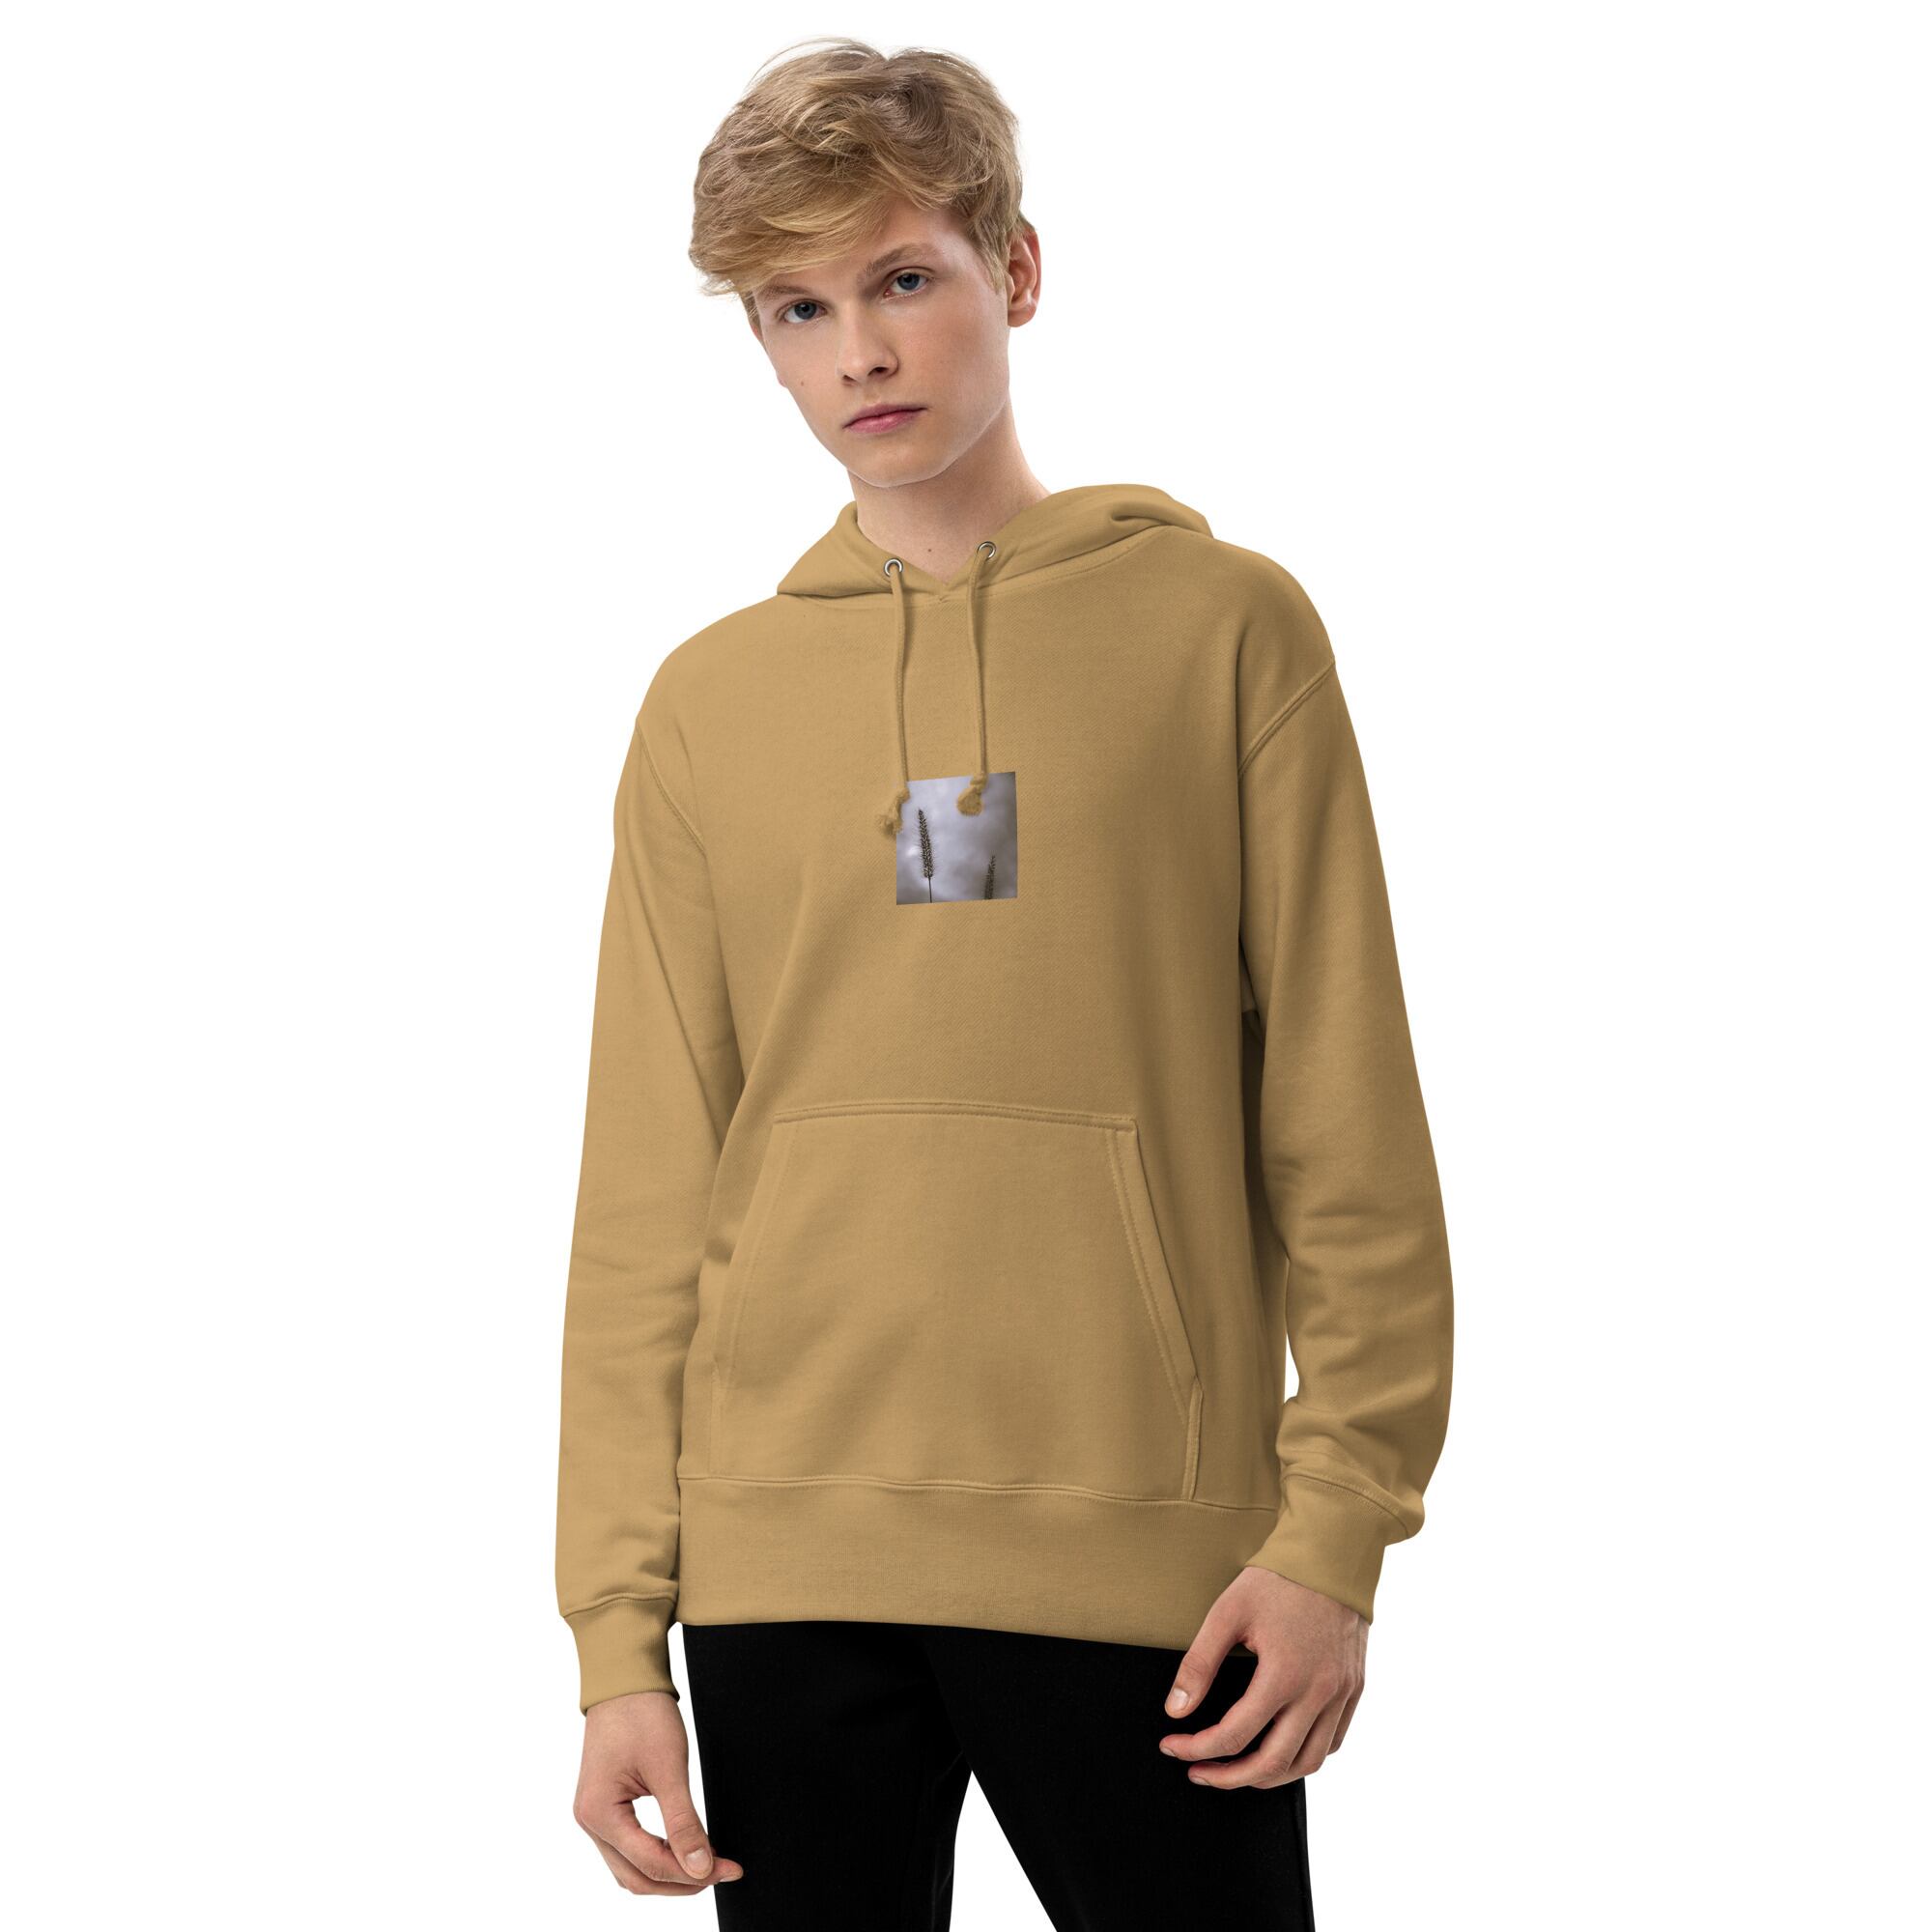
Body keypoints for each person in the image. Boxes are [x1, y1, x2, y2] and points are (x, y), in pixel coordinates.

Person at [555, 37, 1454, 1928]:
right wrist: (615, 1635)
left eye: (901, 278)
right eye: (797, 310)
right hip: (784, 1566)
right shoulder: (709, 705)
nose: (858, 354)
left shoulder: (1224, 632)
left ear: (1015, 271)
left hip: (1153, 1563)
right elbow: (648, 1192)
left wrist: (1337, 1531)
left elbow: (1345, 1119)